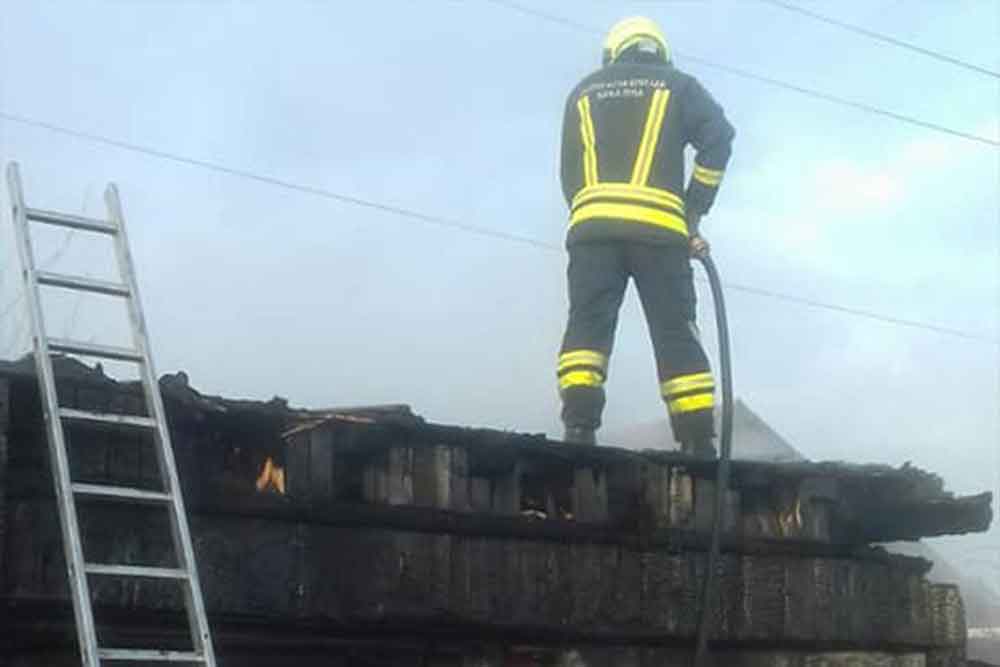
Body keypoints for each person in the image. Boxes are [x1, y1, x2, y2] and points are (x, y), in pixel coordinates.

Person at [556, 16, 734, 456]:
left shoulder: (582, 92)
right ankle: (696, 442)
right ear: (659, 51)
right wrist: (693, 209)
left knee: (587, 329)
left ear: (613, 52)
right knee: (675, 334)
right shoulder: (678, 86)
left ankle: (579, 430)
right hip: (660, 232)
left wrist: (591, 213)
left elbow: (569, 171)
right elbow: (719, 138)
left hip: (592, 229)